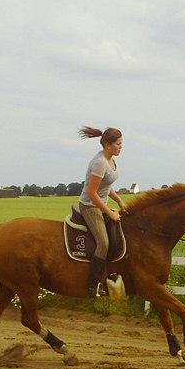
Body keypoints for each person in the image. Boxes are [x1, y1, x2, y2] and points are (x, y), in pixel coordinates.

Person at [78, 126, 129, 297]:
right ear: (107, 145)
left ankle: (110, 276)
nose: (121, 147)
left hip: (101, 204)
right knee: (103, 243)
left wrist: (120, 200)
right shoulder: (100, 163)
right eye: (118, 144)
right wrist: (110, 212)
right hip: (90, 206)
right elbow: (92, 193)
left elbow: (106, 186)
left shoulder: (111, 160)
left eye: (121, 144)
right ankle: (92, 286)